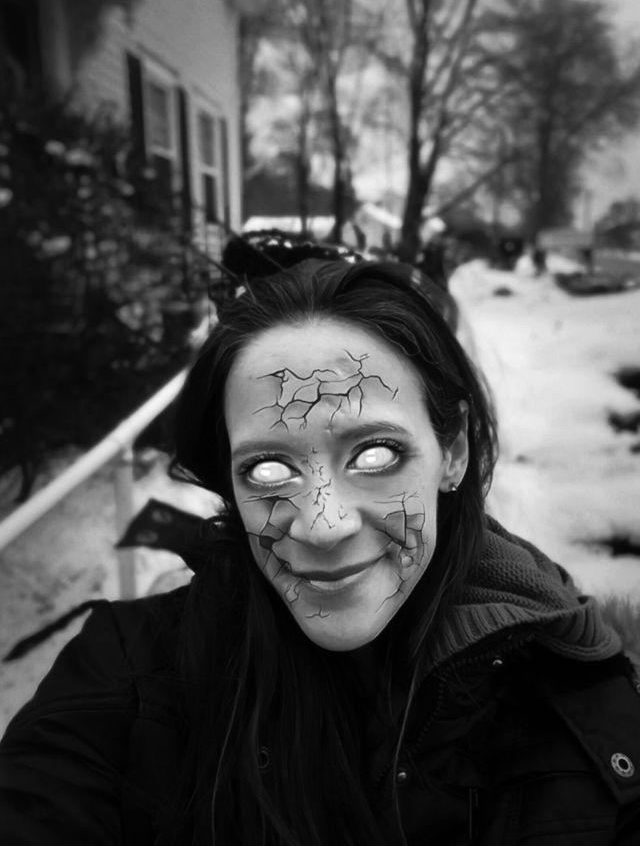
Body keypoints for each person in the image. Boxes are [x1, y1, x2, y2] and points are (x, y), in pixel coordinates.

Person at [1, 258, 640, 846]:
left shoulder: (587, 714)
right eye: (268, 470)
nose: (324, 526)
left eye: (376, 454)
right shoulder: (126, 674)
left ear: (453, 452)